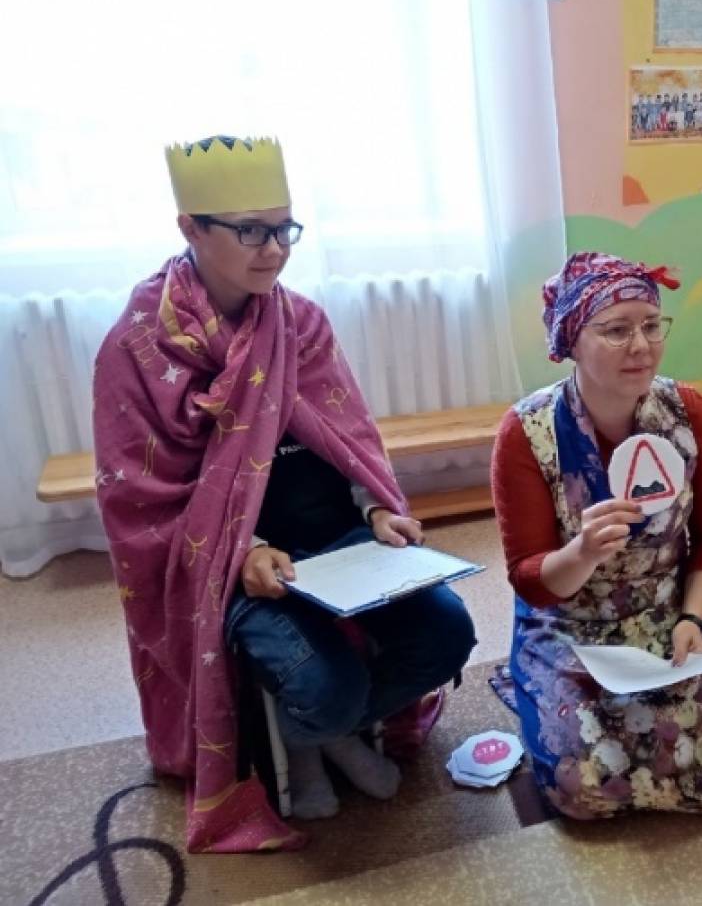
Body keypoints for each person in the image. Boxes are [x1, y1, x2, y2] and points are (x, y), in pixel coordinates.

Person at [92, 135, 476, 852]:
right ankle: (323, 731)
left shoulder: (299, 320)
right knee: (326, 688)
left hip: (338, 537)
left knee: (449, 634)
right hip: (227, 563)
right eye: (251, 231)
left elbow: (346, 434)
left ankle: (315, 738)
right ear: (190, 228)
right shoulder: (138, 347)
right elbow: (141, 495)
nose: (273, 250)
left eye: (284, 228)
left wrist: (376, 508)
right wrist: (246, 550)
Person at [490, 252, 702, 819]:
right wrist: (582, 551)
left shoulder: (688, 414)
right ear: (571, 339)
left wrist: (692, 618)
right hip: (567, 622)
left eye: (652, 325)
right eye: (616, 330)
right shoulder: (528, 432)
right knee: (584, 791)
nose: (641, 346)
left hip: (664, 612)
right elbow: (530, 579)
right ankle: (533, 686)